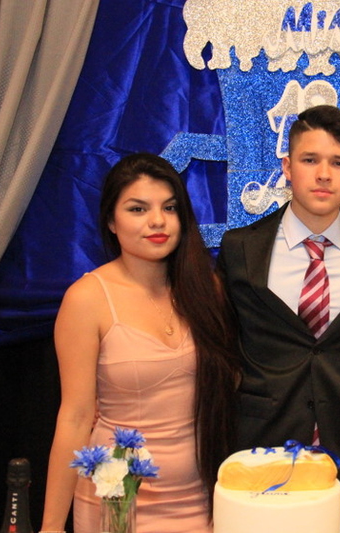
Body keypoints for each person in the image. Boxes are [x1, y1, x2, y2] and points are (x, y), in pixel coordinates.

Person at [216, 105, 340, 533]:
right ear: (287, 167)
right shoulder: (240, 248)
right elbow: (222, 343)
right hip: (260, 450)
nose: (324, 174)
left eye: (339, 162)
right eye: (310, 159)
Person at [40, 153, 240, 533]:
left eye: (169, 207)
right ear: (111, 221)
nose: (157, 221)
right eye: (138, 209)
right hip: (118, 501)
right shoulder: (87, 298)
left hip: (203, 499)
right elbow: (76, 416)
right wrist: (51, 526)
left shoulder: (206, 288)